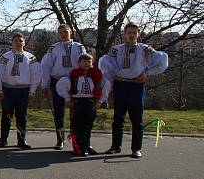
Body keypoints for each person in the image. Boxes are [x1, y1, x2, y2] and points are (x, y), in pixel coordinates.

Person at [99, 22, 169, 159]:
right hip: (120, 85)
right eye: (129, 32)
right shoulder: (116, 50)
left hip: (136, 86)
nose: (131, 35)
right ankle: (115, 146)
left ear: (138, 33)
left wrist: (146, 73)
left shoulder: (144, 49)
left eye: (134, 32)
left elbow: (161, 61)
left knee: (137, 117)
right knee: (118, 117)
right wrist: (111, 83)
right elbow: (107, 67)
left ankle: (136, 148)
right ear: (124, 34)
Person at [41, 24, 87, 150]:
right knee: (58, 111)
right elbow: (46, 66)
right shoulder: (53, 48)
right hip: (57, 81)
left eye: (65, 31)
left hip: (75, 81)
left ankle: (75, 140)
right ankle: (60, 139)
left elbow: (85, 63)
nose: (63, 34)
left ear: (70, 32)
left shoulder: (79, 47)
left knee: (75, 111)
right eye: (60, 32)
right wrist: (44, 84)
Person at [0, 32, 42, 149]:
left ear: (24, 42)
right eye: (16, 41)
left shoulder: (30, 58)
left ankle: (22, 140)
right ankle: (3, 140)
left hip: (23, 91)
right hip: (8, 90)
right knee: (7, 116)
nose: (18, 43)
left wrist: (32, 92)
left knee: (22, 116)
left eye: (21, 41)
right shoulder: (5, 57)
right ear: (12, 43)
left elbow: (36, 75)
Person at [56, 53, 111, 156]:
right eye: (84, 62)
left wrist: (100, 101)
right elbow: (61, 85)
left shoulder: (97, 75)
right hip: (77, 102)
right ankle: (77, 148)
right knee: (77, 125)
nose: (86, 64)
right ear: (79, 63)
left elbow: (106, 86)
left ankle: (86, 146)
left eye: (89, 62)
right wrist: (68, 99)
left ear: (92, 63)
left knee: (88, 125)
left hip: (91, 102)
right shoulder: (73, 75)